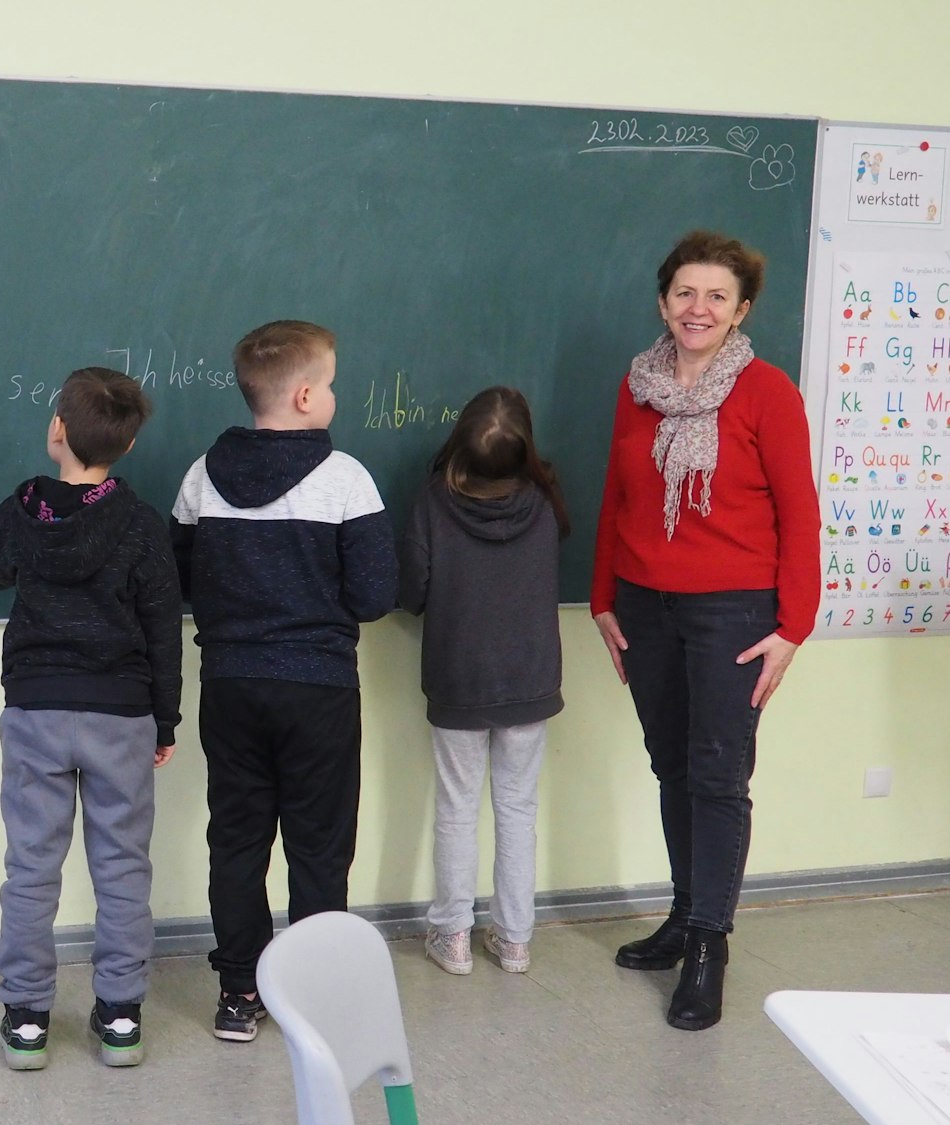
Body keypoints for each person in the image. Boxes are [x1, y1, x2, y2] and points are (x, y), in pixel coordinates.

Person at [591, 230, 819, 1031]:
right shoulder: (638, 386)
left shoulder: (767, 392)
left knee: (719, 776)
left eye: (717, 296)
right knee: (672, 765)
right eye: (685, 293)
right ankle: (686, 913)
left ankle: (709, 947)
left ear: (741, 309)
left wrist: (795, 626)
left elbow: (800, 514)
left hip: (735, 610)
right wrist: (601, 599)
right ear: (664, 301)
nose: (699, 308)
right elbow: (618, 498)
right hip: (644, 605)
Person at [170, 320, 397, 1042]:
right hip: (319, 690)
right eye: (329, 384)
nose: (332, 395)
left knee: (236, 840)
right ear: (304, 395)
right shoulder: (345, 479)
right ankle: (316, 996)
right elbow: (372, 597)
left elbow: (179, 576)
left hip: (232, 684)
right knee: (319, 844)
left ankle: (240, 993)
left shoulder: (202, 475)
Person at [0, 367, 182, 1070]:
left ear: (57, 431)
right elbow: (163, 624)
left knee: (31, 868)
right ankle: (118, 1014)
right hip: (121, 715)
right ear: (131, 443)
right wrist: (164, 722)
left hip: (38, 710)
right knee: (122, 869)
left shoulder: (24, 510)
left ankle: (25, 1017)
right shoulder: (141, 523)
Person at [399, 387, 569, 978]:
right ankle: (515, 939)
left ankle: (452, 936)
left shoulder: (431, 504)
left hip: (458, 680)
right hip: (530, 678)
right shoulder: (544, 506)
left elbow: (412, 593)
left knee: (456, 808)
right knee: (519, 807)